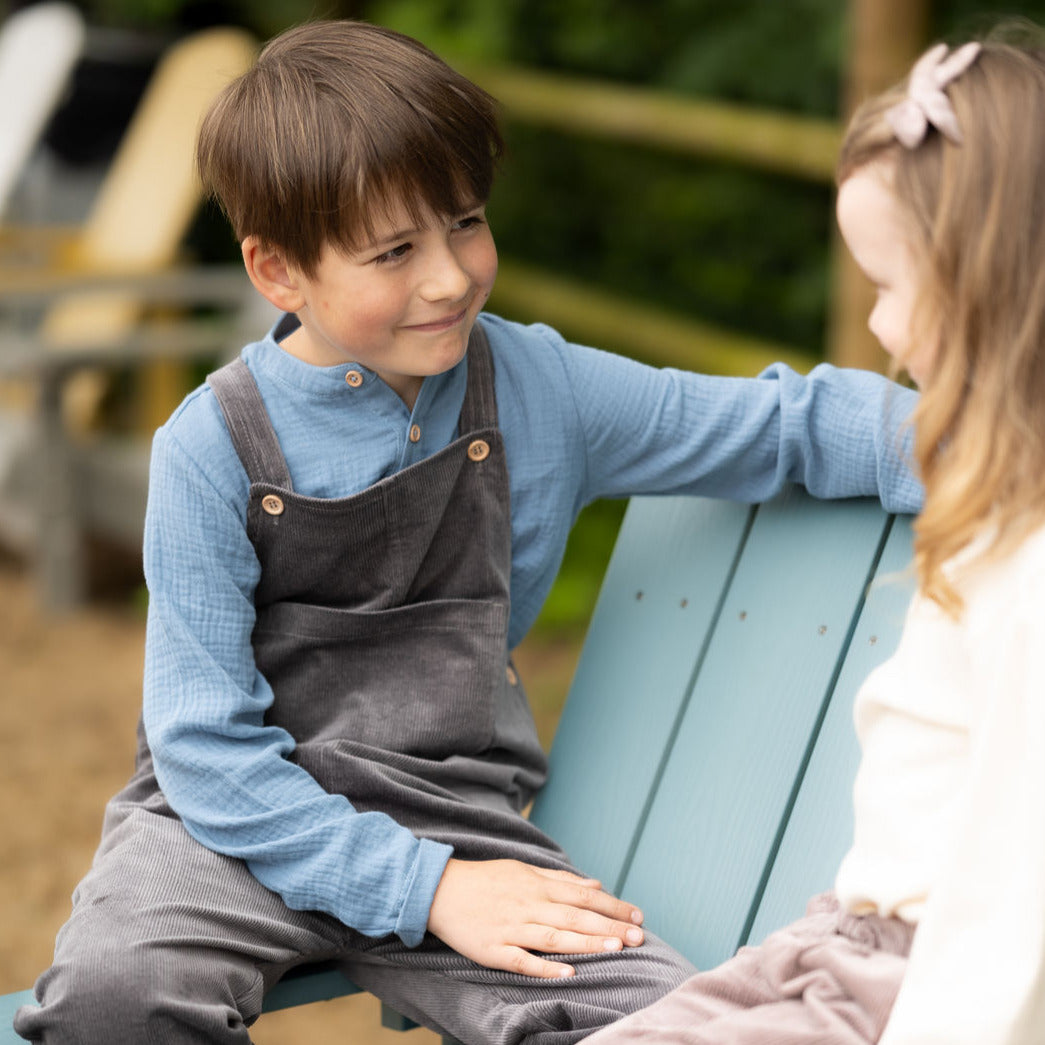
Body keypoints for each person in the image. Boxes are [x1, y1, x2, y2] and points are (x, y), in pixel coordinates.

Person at [15, 19, 921, 1045]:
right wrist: (426, 889)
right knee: (110, 998)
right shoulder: (208, 450)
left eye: (466, 222)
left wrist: (986, 452)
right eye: (394, 250)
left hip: (456, 821)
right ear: (277, 271)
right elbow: (205, 751)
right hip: (229, 828)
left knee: (679, 1027)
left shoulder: (541, 388)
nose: (448, 277)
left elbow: (781, 425)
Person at [583, 27, 1045, 1045]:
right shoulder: (998, 504)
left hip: (922, 989)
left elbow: (1012, 896)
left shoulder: (1031, 567)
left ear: (989, 284)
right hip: (839, 950)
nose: (878, 327)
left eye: (889, 283)